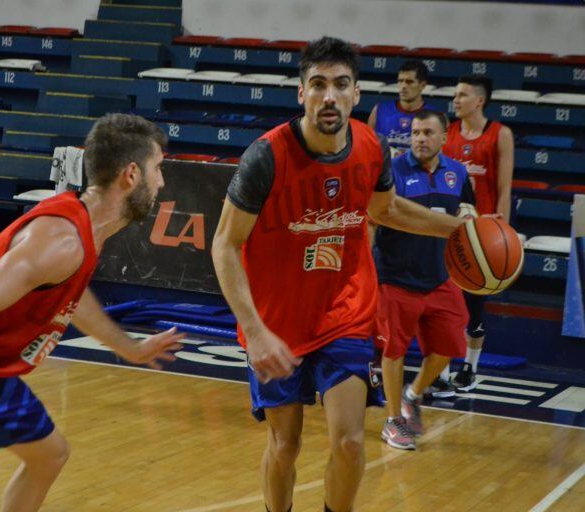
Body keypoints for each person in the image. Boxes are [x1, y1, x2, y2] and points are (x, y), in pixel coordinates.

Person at [211, 37, 465, 512]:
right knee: (285, 446)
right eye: (319, 85)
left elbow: (386, 209)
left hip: (344, 314)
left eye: (341, 85)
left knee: (349, 443)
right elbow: (224, 245)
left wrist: (459, 229)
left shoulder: (370, 146)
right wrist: (255, 329)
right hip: (276, 323)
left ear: (357, 93)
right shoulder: (265, 157)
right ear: (301, 93)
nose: (330, 96)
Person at [0, 113, 184, 512]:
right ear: (131, 174)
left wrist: (128, 348)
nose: (161, 181)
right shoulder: (60, 241)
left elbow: (72, 301)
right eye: (158, 169)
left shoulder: (86, 231)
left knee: (50, 455)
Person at [374, 110, 474, 450]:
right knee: (393, 350)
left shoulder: (458, 173)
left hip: (439, 276)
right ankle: (392, 421)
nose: (419, 138)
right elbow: (384, 214)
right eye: (416, 132)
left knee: (449, 346)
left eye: (428, 132)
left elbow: (466, 212)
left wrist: (471, 217)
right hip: (396, 276)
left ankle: (413, 394)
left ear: (445, 137)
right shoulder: (393, 171)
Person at [442, 75, 514, 392]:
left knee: (475, 307)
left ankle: (470, 368)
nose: (455, 100)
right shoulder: (448, 133)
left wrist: (503, 231)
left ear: (479, 101)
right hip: (451, 231)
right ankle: (442, 370)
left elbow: (504, 187)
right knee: (444, 305)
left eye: (462, 95)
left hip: (483, 238)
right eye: (455, 95)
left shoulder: (501, 134)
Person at [367, 60, 434, 156]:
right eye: (400, 81)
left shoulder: (435, 116)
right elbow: (367, 148)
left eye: (409, 82)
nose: (403, 86)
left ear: (422, 85)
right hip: (386, 169)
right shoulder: (379, 111)